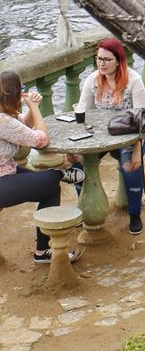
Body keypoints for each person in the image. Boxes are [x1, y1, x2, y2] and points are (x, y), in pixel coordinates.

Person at [0, 71, 82, 265]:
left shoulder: (5, 116)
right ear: (14, 94)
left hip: (6, 170)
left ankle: (42, 251)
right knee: (51, 178)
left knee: (50, 189)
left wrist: (31, 108)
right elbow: (42, 141)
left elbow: (22, 123)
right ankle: (61, 173)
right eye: (22, 89)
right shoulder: (2, 120)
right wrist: (36, 108)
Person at [76, 37, 145, 235]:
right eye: (99, 58)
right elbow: (82, 111)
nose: (102, 63)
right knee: (76, 164)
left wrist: (137, 151)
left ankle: (135, 214)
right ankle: (83, 208)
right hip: (103, 135)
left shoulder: (134, 81)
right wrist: (75, 147)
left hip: (133, 134)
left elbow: (143, 121)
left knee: (130, 167)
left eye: (107, 59)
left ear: (118, 61)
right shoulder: (92, 80)